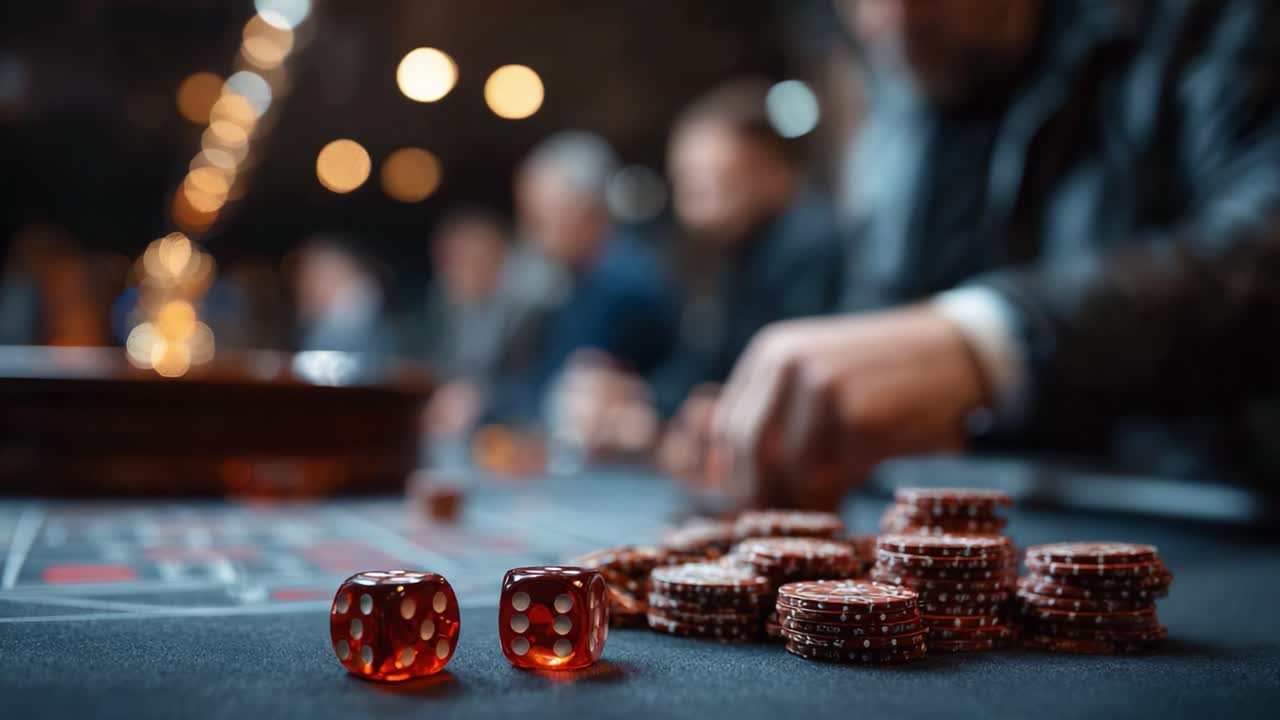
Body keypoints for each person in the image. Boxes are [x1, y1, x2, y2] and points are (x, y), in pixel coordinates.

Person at [710, 0, 1280, 510]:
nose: (892, 18)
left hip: (1223, 513)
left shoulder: (1204, 22)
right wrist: (792, 413)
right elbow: (882, 317)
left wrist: (989, 338)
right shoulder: (906, 90)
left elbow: (1260, 248)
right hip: (997, 504)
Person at [553, 79, 846, 463]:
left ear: (774, 169)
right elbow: (708, 361)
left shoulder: (807, 242)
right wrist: (642, 400)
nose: (692, 203)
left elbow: (781, 379)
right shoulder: (742, 248)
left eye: (714, 182)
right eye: (687, 183)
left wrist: (659, 420)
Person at [513, 131, 679, 423]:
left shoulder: (622, 285)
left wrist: (490, 407)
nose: (532, 235)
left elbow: (559, 395)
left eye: (539, 217)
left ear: (583, 209)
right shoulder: (585, 276)